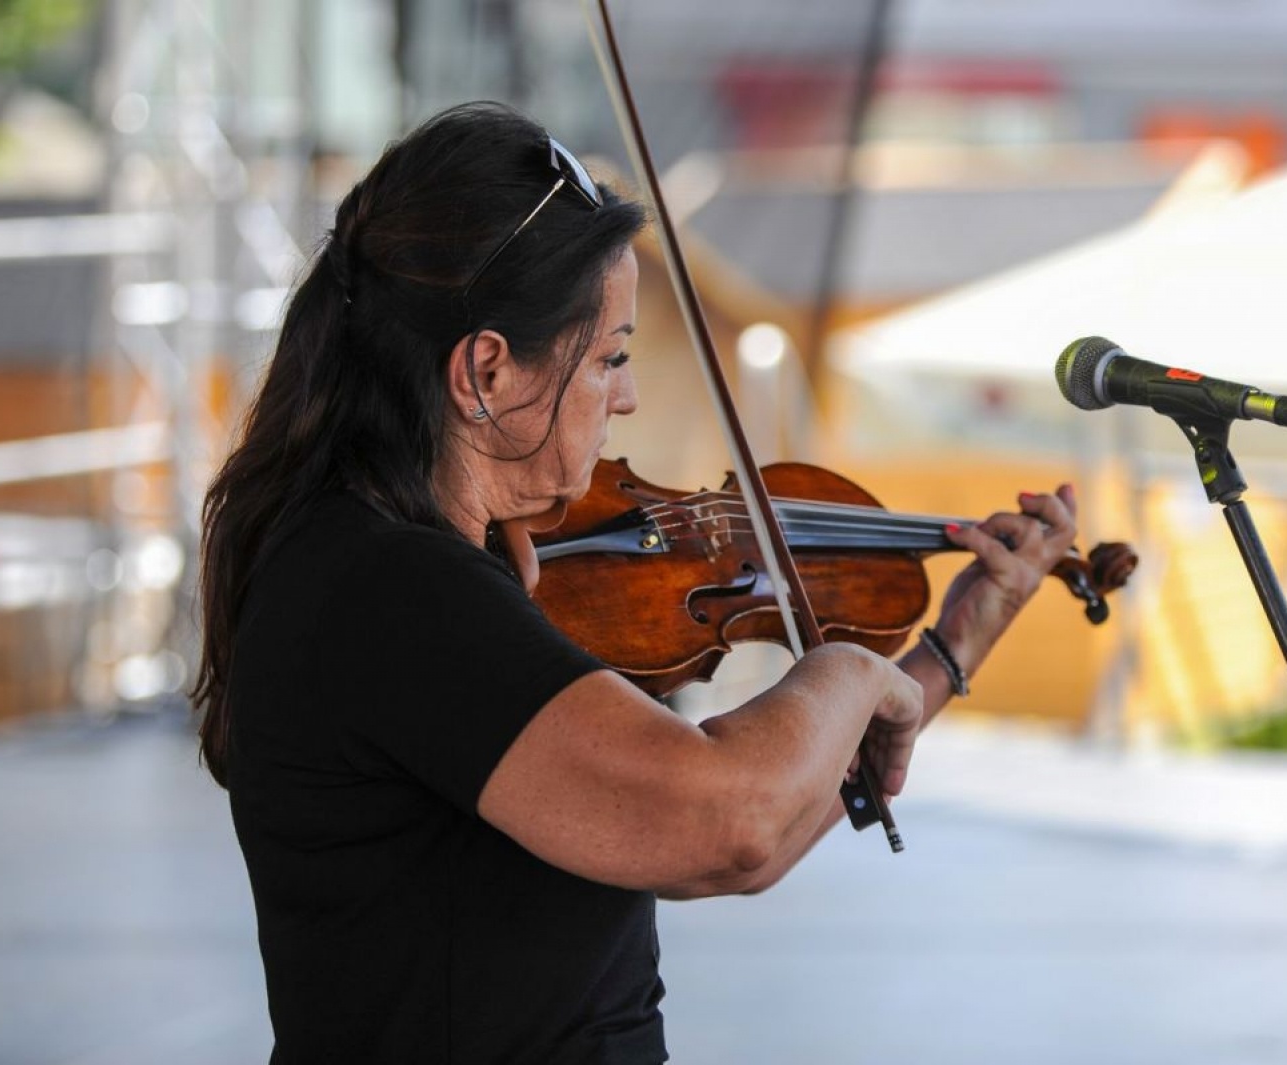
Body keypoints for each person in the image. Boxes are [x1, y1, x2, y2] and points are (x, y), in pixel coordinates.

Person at [193, 101, 1078, 1065]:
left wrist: (950, 647)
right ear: (485, 369)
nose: (628, 393)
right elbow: (727, 820)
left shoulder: (402, 563)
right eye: (610, 355)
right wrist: (848, 673)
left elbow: (761, 831)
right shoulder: (395, 591)